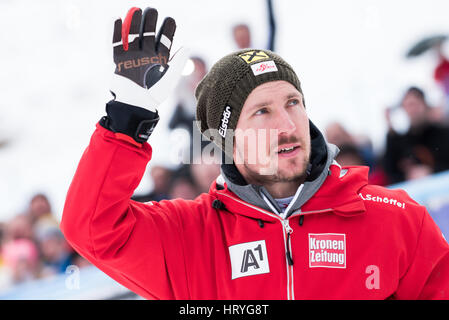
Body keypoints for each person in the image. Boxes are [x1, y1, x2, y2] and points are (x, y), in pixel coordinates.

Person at [61, 7, 449, 299]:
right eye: (262, 111)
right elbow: (92, 229)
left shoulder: (396, 219)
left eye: (293, 103)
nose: (287, 123)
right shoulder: (191, 238)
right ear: (228, 140)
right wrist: (127, 120)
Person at [383, 86, 449, 183]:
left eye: (415, 104)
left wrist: (431, 171)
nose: (412, 110)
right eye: (408, 105)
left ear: (424, 105)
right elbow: (390, 172)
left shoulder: (443, 134)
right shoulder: (399, 142)